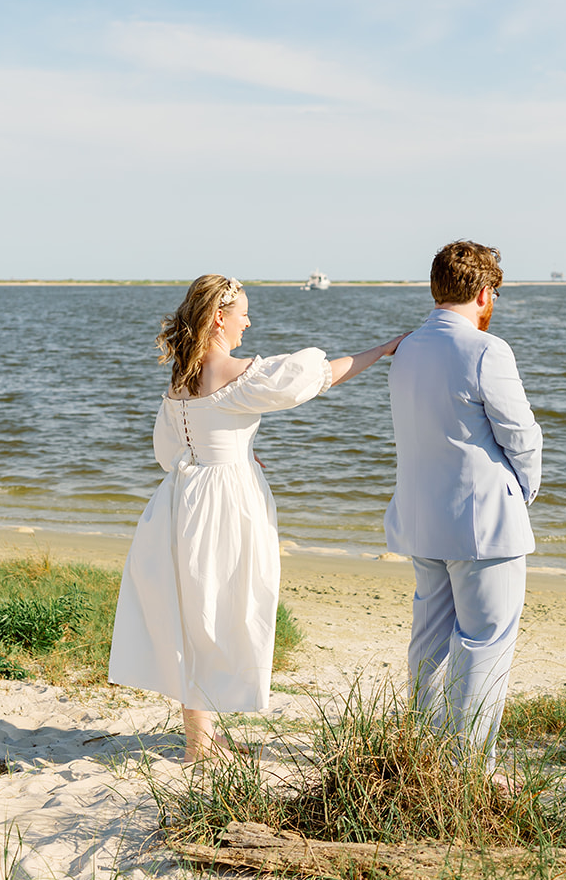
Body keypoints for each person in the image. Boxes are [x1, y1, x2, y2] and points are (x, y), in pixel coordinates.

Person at [109, 275, 404, 762]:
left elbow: (169, 452)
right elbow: (320, 376)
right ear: (219, 317)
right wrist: (384, 348)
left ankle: (200, 739)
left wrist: (237, 444)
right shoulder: (235, 371)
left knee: (194, 611)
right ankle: (200, 745)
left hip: (183, 496)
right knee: (223, 608)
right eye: (242, 311)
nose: (248, 320)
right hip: (226, 501)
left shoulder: (182, 377)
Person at [384, 241, 543, 769]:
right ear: (483, 292)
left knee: (430, 642)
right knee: (484, 641)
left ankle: (422, 755)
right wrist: (523, 493)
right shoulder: (485, 349)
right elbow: (521, 435)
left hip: (420, 517)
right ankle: (469, 765)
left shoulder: (406, 348)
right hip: (483, 523)